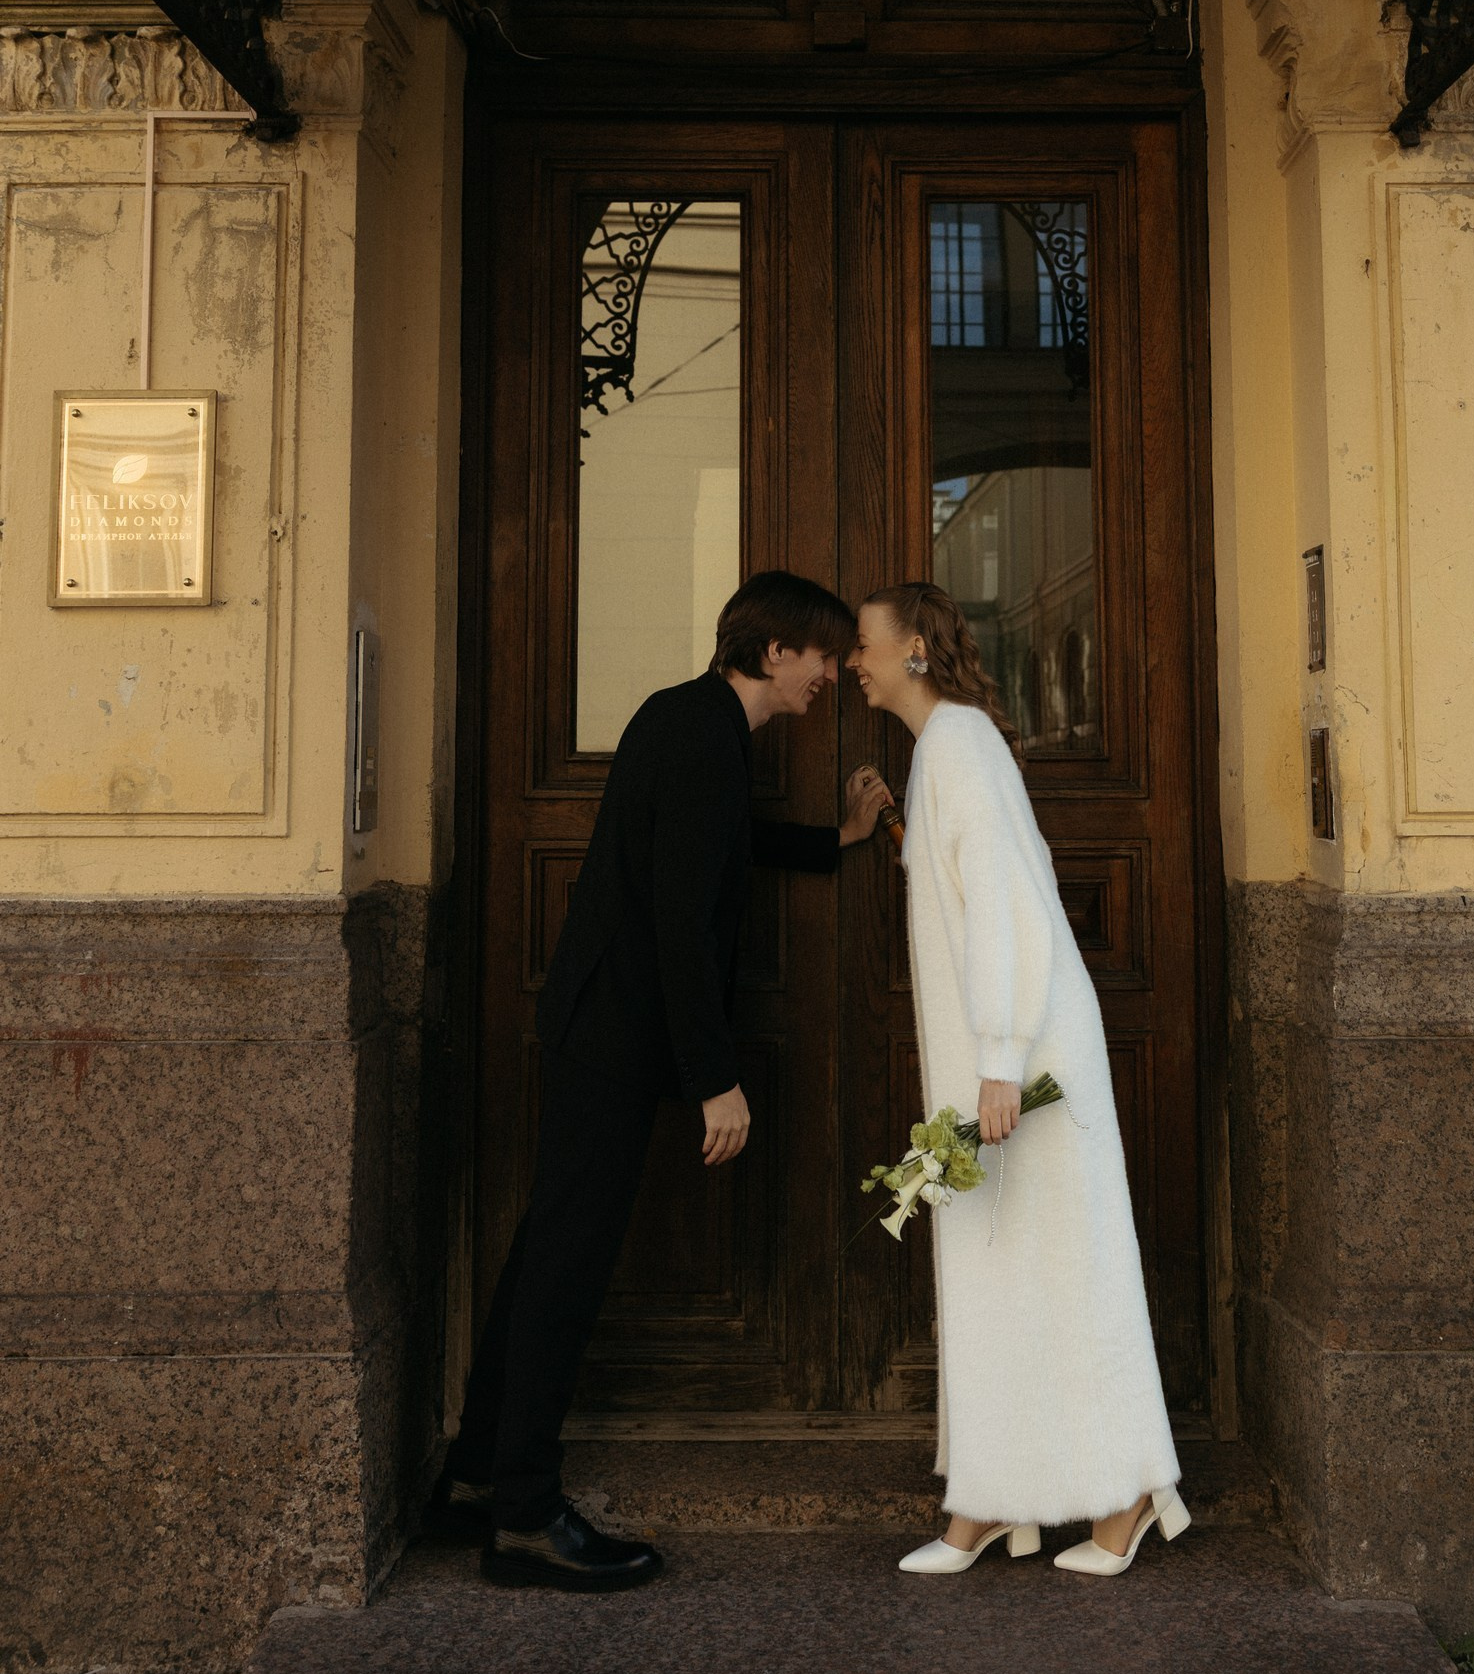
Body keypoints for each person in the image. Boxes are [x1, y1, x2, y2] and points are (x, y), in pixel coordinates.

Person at [435, 570, 893, 1591]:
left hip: (605, 1024)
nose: (829, 671)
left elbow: (717, 845)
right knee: (567, 1262)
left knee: (545, 1249)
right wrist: (714, 1080)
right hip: (615, 1033)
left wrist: (836, 840)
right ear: (774, 652)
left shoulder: (697, 725)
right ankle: (521, 1512)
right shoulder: (698, 733)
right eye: (820, 653)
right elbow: (683, 922)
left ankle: (475, 1471)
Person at [847, 581, 1189, 1578]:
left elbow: (1004, 906)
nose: (854, 662)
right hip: (997, 1067)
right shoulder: (948, 747)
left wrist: (999, 1058)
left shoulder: (956, 744)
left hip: (1025, 1063)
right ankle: (992, 1502)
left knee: (1066, 1276)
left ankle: (1126, 1493)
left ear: (913, 648)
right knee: (993, 1274)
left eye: (864, 644)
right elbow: (973, 886)